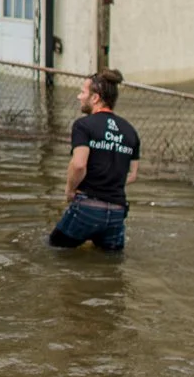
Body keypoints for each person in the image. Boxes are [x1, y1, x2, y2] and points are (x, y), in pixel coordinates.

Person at [48, 69, 141, 252]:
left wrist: (69, 191)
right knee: (110, 266)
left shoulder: (83, 125)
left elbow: (79, 165)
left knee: (53, 253)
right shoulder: (130, 131)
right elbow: (132, 175)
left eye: (83, 92)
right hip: (117, 213)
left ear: (95, 98)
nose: (79, 96)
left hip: (87, 208)